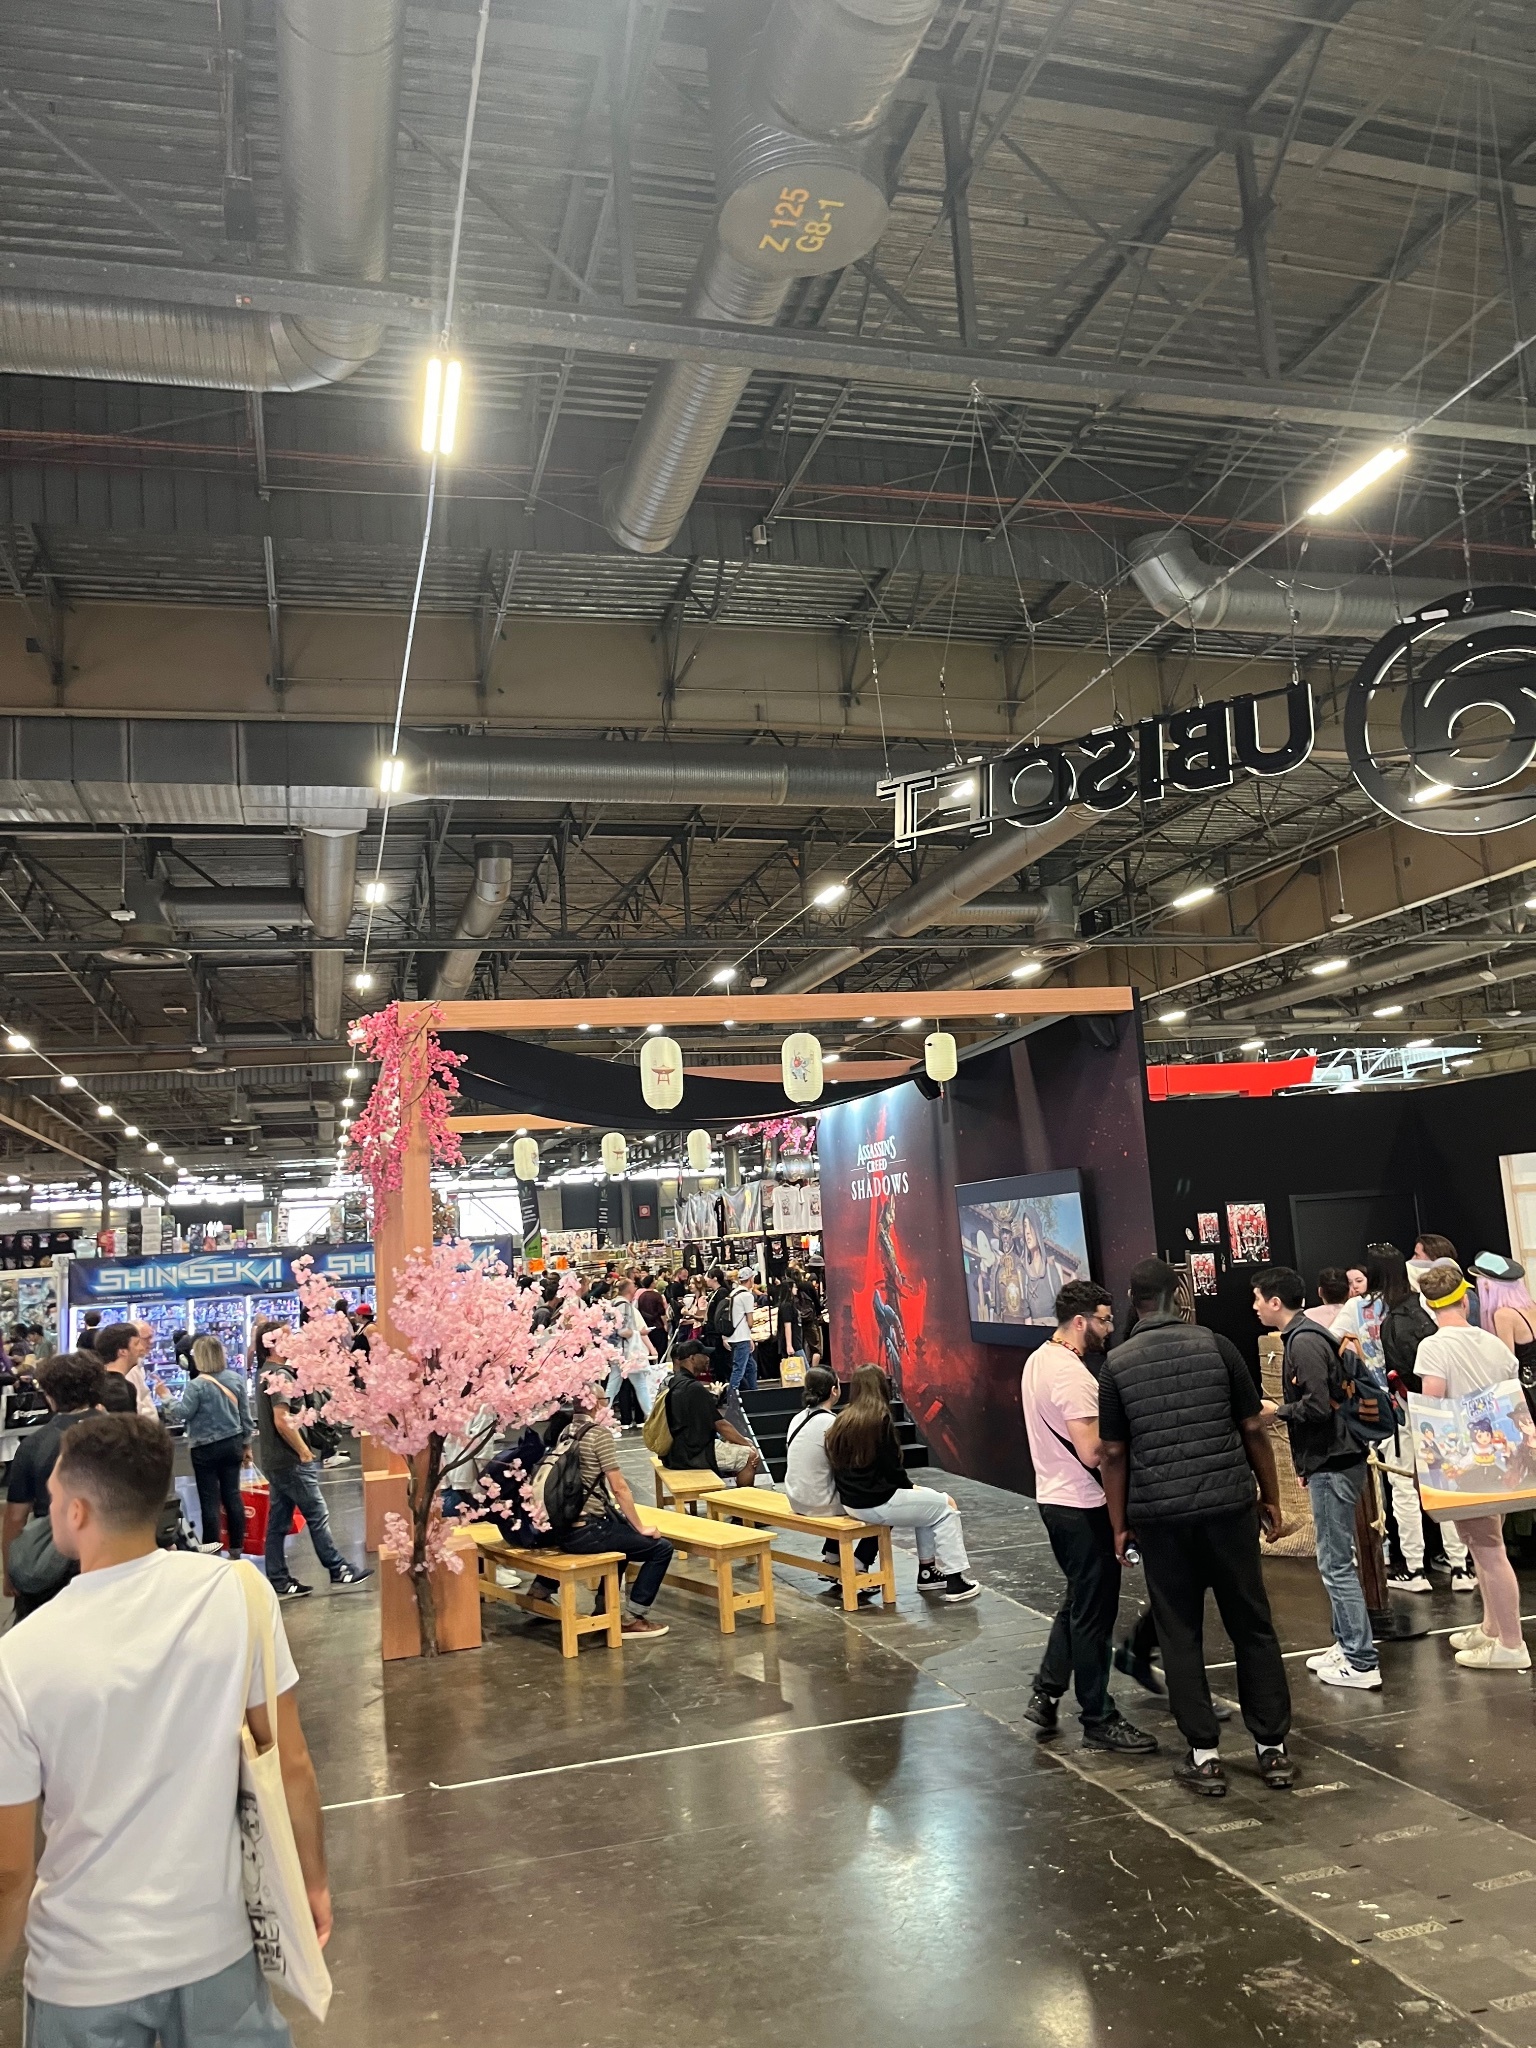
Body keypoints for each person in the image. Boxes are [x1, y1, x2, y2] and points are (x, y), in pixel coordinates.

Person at [0, 1413, 328, 2045]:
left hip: (83, 1971)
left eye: (55, 1495)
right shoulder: (237, 1593)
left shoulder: (19, 1659)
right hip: (217, 1947)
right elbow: (290, 1763)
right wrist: (310, 1882)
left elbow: (10, 1872)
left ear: (76, 1513)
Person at [1099, 1258, 1294, 1796]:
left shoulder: (1116, 1364)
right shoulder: (1218, 1346)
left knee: (1179, 1632)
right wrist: (1270, 1496)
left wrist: (1119, 1524)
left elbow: (1113, 1453)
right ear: (1178, 1295)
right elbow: (1251, 1426)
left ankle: (1205, 1757)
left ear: (1132, 1299)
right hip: (1228, 1508)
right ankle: (1272, 1750)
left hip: (1160, 1518)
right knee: (1252, 1623)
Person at [1023, 1281, 1157, 1753]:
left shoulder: (1039, 1359)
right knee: (1094, 1616)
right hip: (1081, 1505)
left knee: (1079, 1602)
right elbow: (1093, 1452)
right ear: (1080, 1321)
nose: (1110, 1327)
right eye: (1104, 1319)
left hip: (1056, 1499)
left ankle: (1046, 1692)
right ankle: (1098, 1716)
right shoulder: (1072, 1376)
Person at [1254, 1266, 1381, 1692]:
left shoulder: (1304, 1342)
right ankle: (1346, 1644)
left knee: (1335, 1562)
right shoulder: (1305, 1335)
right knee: (1334, 1559)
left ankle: (1361, 1660)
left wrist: (1276, 1411)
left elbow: (1317, 1406)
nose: (1254, 1307)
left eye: (1258, 1299)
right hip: (1330, 1459)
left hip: (1335, 1460)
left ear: (1275, 1302)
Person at [1415, 1261, 1530, 1671]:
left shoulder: (1433, 1347)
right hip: (1502, 1453)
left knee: (1487, 1548)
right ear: (1465, 1301)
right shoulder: (1493, 1343)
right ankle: (1492, 1627)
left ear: (1430, 1306)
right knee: (1484, 1542)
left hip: (1466, 1459)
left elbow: (1433, 1402)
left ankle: (1512, 1643)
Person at [824, 1365, 980, 1603]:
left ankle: (928, 1573)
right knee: (946, 1507)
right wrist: (911, 1487)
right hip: (878, 1500)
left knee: (928, 1506)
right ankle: (955, 1579)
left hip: (853, 1503)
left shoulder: (842, 1420)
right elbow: (893, 1469)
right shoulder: (880, 1419)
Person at [1375, 1249, 1474, 1594]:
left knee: (1404, 1487)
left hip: (1410, 1410)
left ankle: (1415, 1568)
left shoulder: (1393, 1322)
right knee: (1448, 1484)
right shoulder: (1441, 1325)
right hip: (1445, 1411)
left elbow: (1400, 1372)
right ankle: (1460, 1564)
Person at [252, 1318, 371, 1598]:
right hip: (291, 1460)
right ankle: (337, 1568)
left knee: (279, 1521)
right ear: (272, 1344)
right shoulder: (280, 1376)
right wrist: (303, 1451)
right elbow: (282, 1420)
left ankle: (279, 1578)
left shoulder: (266, 1372)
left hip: (276, 1459)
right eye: (286, 1337)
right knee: (317, 1513)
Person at [542, 1405, 673, 1639]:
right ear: (594, 1404)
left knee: (621, 1537)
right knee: (661, 1549)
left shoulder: (566, 1430)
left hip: (563, 1528)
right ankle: (633, 1618)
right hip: (588, 1531)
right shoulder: (598, 1434)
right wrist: (640, 1527)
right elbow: (619, 1487)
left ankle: (600, 1607)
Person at [1, 1350, 106, 1619]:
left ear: (49, 1394)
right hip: (114, 1551)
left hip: (54, 1558)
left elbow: (15, 1517)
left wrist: (11, 1570)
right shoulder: (124, 1433)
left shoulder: (35, 1444)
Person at [783, 1367, 880, 1587]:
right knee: (883, 1507)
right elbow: (849, 1465)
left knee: (831, 1487)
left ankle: (832, 1557)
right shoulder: (833, 1423)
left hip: (795, 1498)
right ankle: (859, 1564)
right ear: (834, 1391)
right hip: (819, 1504)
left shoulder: (797, 1418)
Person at [172, 1334, 253, 1558]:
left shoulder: (196, 1386)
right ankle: (237, 1546)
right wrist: (247, 1444)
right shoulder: (235, 1380)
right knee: (232, 1494)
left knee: (209, 1499)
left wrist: (166, 1398)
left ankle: (212, 1546)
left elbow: (183, 1413)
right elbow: (245, 1417)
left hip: (204, 1448)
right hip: (233, 1443)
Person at [661, 1342, 761, 1483]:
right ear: (692, 1358)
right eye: (704, 1355)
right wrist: (747, 1445)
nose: (708, 1359)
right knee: (750, 1456)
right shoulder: (694, 1388)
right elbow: (721, 1425)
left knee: (740, 1443)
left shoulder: (677, 1382)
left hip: (680, 1450)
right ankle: (743, 1496)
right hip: (694, 1454)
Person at [92, 1322, 157, 1419]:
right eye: (136, 1344)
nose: (140, 1348)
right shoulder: (119, 1390)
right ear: (122, 1351)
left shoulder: (96, 1382)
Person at [728, 1269, 760, 1395]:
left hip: (733, 1335)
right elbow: (750, 1321)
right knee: (739, 1370)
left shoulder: (734, 1293)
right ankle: (731, 1396)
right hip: (741, 1337)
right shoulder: (747, 1296)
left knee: (751, 1366)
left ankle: (753, 1392)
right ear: (751, 1279)